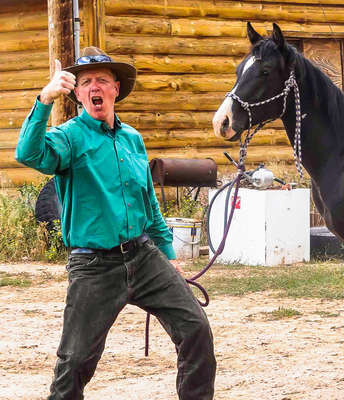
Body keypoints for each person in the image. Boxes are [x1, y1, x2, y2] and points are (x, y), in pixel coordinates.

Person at [15, 47, 216, 400]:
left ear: (115, 90)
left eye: (103, 81)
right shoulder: (69, 137)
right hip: (94, 265)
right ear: (77, 94)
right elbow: (28, 154)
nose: (95, 87)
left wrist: (167, 252)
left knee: (195, 329)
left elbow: (149, 204)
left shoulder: (132, 139)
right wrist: (45, 98)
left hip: (144, 255)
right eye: (87, 82)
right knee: (75, 362)